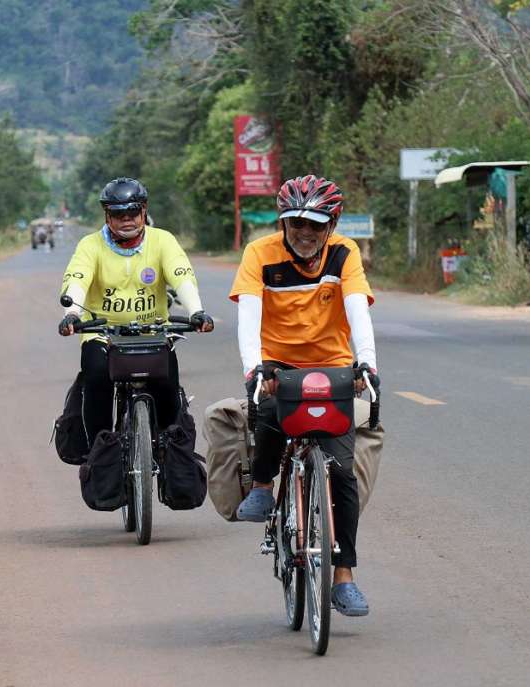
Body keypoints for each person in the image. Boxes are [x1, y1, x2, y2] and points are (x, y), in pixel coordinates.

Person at [229, 174, 379, 617]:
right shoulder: (259, 253)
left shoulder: (344, 253)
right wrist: (254, 368)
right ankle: (261, 485)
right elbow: (249, 318)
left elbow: (357, 310)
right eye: (296, 224)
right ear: (283, 223)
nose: (306, 234)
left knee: (343, 472)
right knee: (270, 407)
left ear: (332, 224)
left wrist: (367, 363)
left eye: (316, 224)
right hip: (278, 364)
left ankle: (344, 576)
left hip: (333, 365)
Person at [59, 177, 214, 446]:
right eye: (118, 214)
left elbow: (181, 277)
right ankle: (100, 452)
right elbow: (77, 279)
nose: (126, 220)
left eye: (133, 212)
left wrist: (196, 311)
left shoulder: (163, 240)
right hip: (102, 333)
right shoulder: (89, 245)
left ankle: (171, 452)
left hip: (154, 331)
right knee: (96, 377)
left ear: (144, 210)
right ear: (107, 216)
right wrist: (71, 314)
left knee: (167, 388)